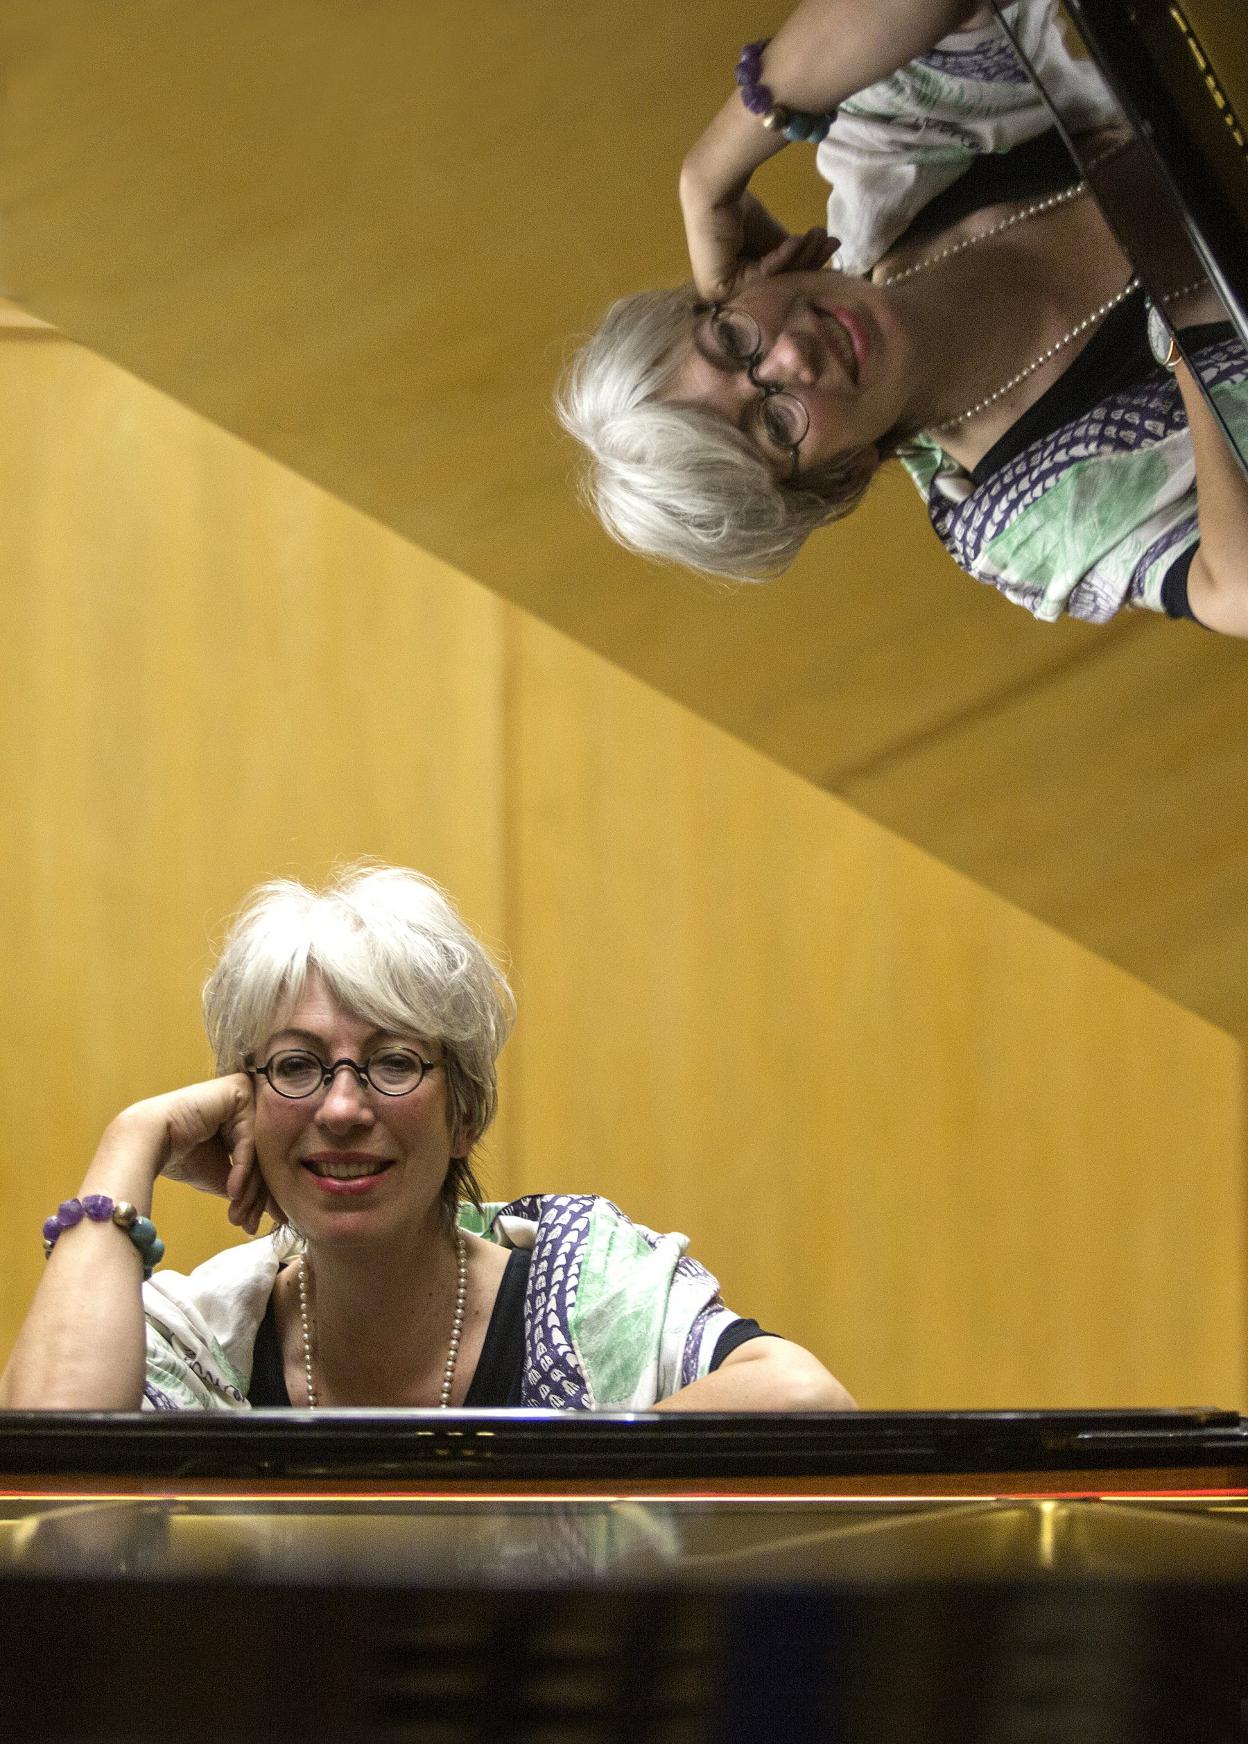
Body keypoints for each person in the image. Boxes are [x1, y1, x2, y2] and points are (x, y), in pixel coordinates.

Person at [0, 864, 854, 1413]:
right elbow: (47, 1474)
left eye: (394, 1062)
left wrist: (535, 1495)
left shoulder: (584, 1288)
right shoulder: (211, 1333)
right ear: (245, 1110)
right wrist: (134, 1138)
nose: (340, 1107)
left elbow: (806, 1397)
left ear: (467, 1114)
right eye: (296, 1068)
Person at [558, 0, 1248, 634]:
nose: (790, 361)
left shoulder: (888, 164)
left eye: (733, 340)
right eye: (772, 422)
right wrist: (1185, 309)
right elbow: (1236, 591)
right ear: (842, 474)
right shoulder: (1021, 517)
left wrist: (709, 176)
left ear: (729, 292)